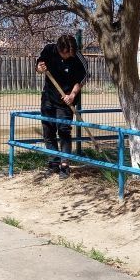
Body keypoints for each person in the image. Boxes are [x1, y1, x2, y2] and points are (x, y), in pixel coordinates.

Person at [36, 34, 89, 180]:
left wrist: (72, 94)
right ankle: (53, 163)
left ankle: (64, 166)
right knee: (48, 130)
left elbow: (83, 78)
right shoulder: (49, 50)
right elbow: (39, 66)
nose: (67, 57)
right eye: (65, 53)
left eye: (70, 54)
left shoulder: (78, 58)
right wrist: (40, 68)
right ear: (59, 49)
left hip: (67, 101)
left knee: (64, 130)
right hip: (49, 97)